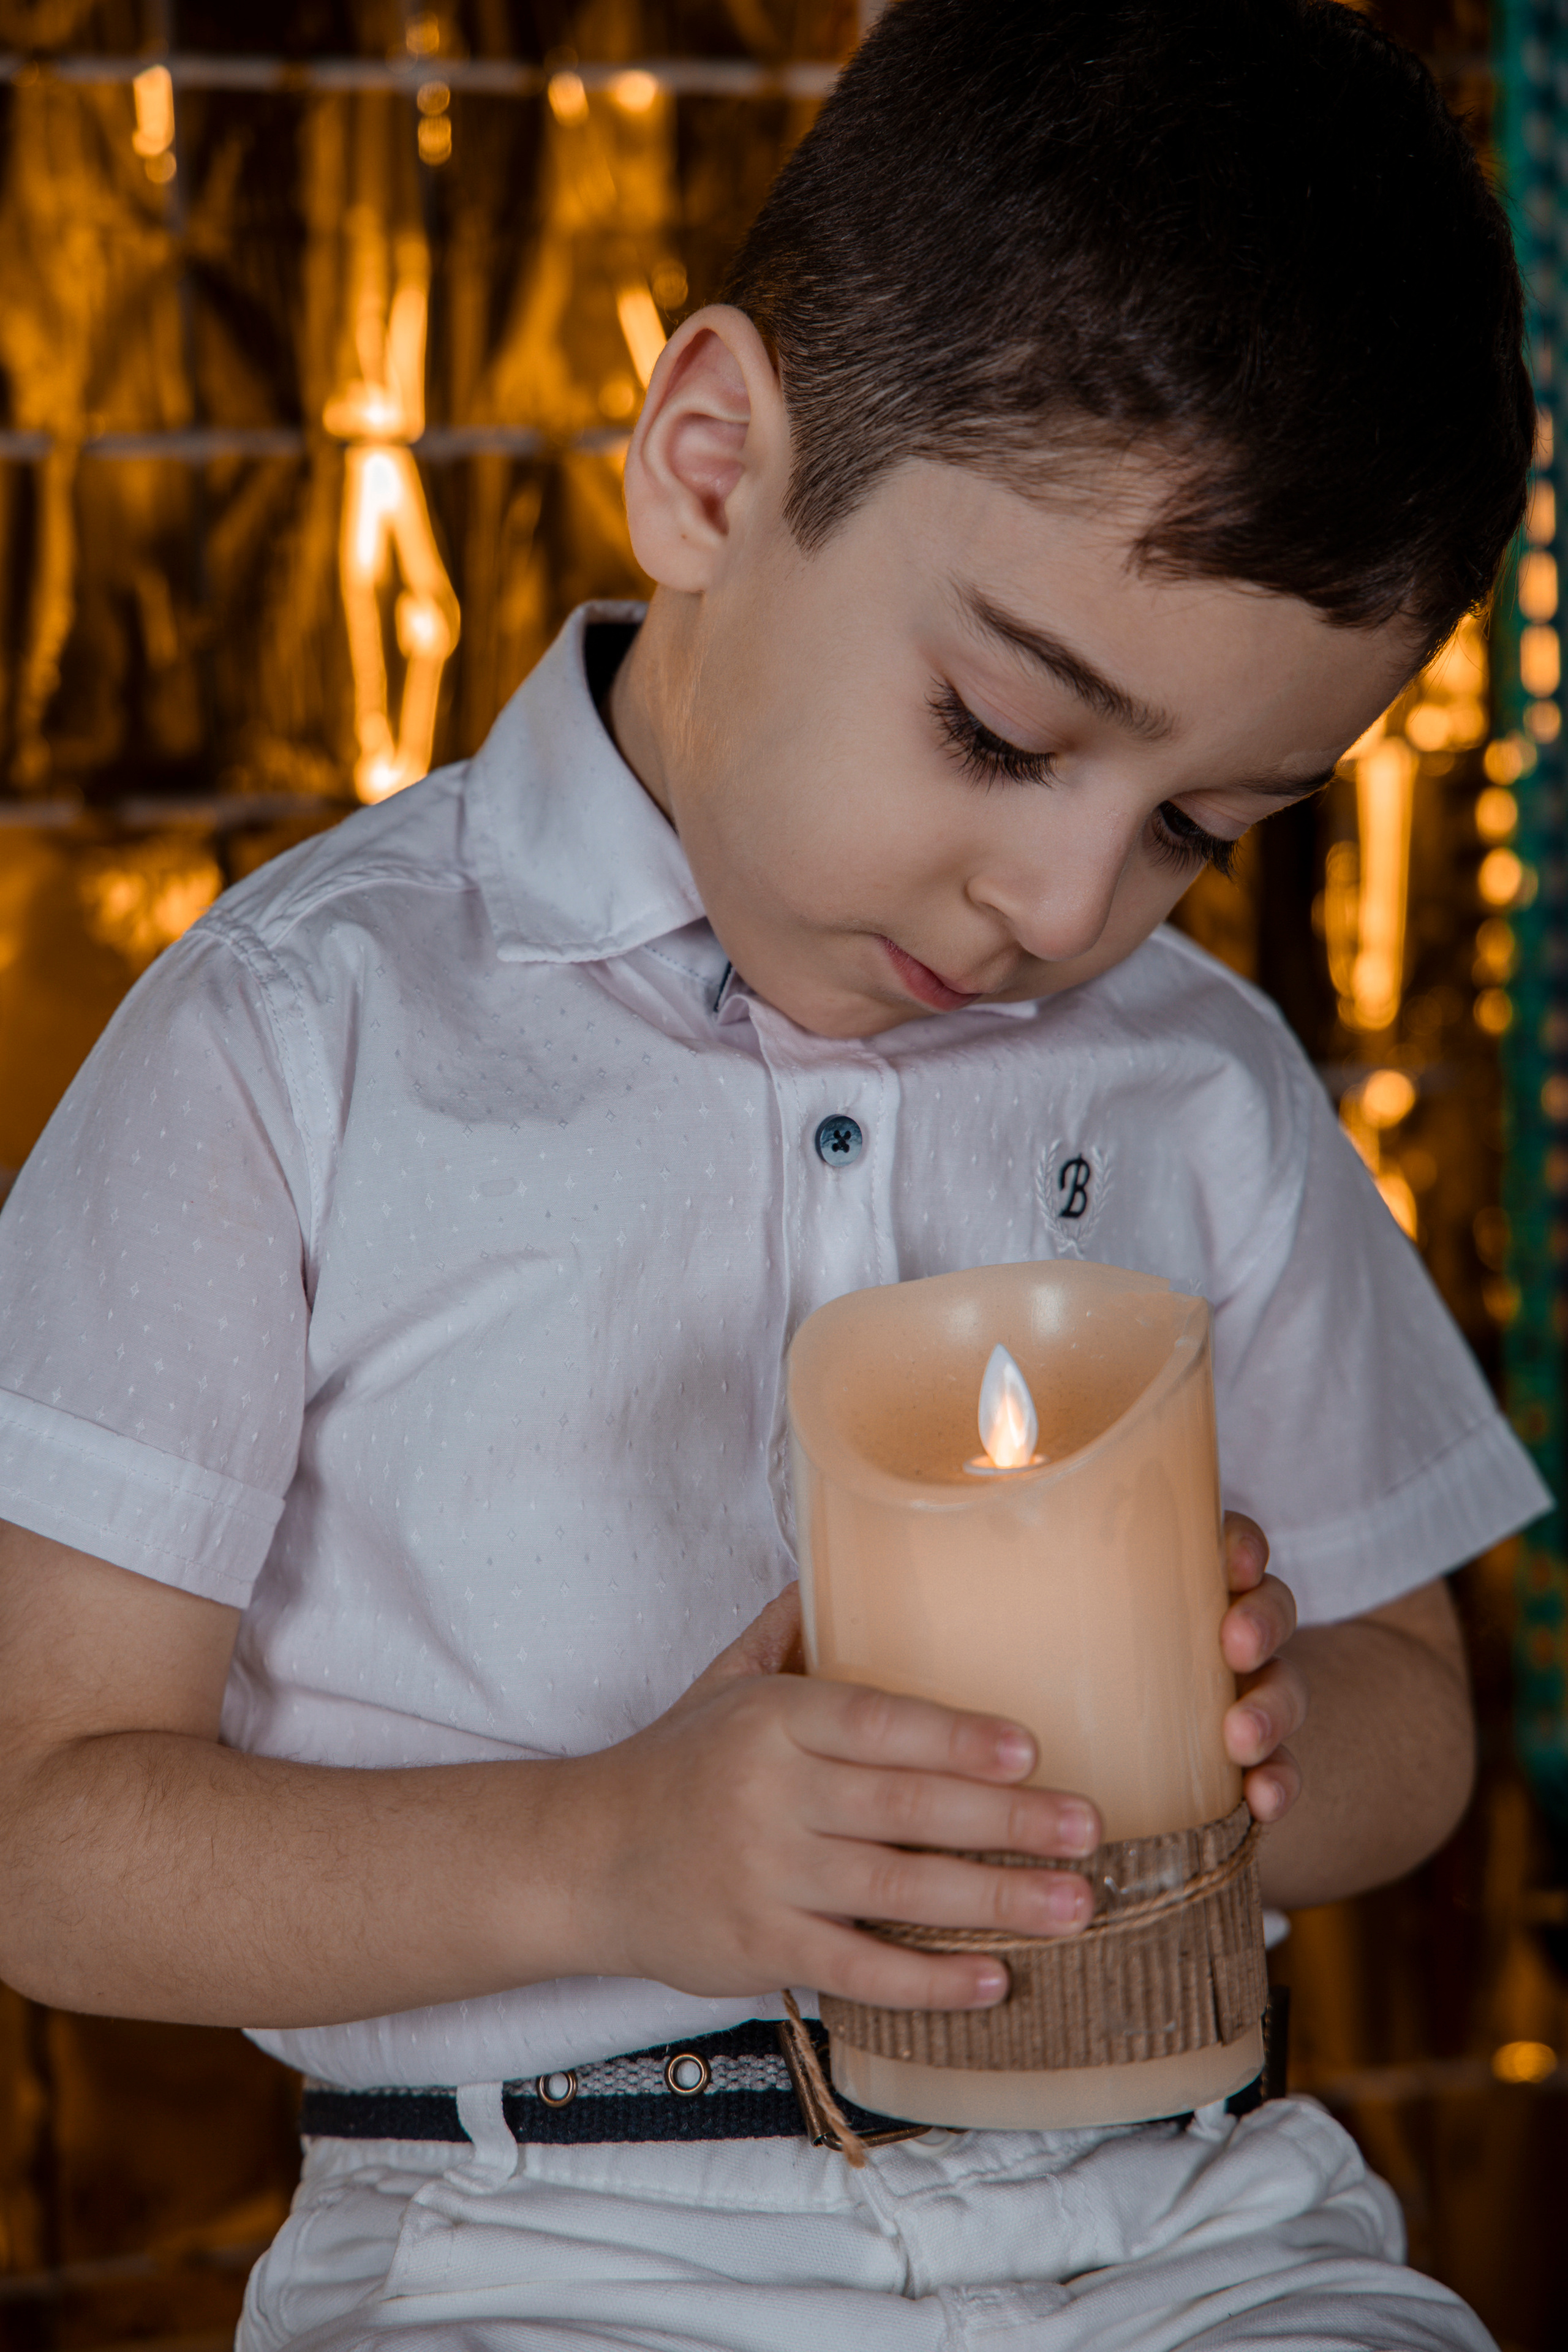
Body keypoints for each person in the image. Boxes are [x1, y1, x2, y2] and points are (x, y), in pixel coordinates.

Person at [0, 2, 1550, 2345]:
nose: (1063, 904)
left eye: (1199, 834)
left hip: (1187, 2232)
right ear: (713, 464)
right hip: (552, 2247)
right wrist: (614, 1850)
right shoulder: (296, 1040)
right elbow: (42, 1830)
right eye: (1004, 733)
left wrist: (1265, 1739)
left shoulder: (1202, 1082)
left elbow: (1416, 1706)